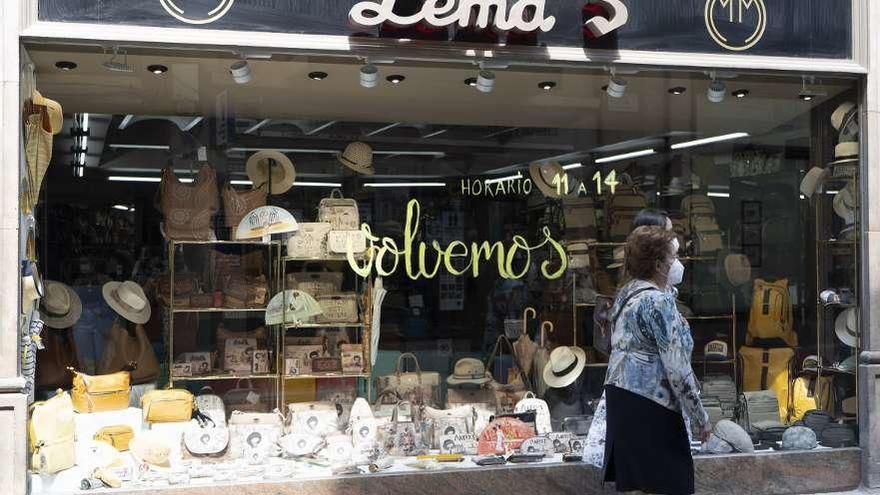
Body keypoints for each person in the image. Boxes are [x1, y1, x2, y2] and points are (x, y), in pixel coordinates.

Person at [602, 226, 709, 495]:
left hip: (623, 400)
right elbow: (677, 367)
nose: (678, 263)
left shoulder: (626, 297)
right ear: (659, 264)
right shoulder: (657, 303)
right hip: (651, 402)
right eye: (674, 257)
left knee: (637, 485)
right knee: (668, 483)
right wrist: (701, 419)